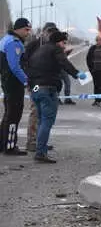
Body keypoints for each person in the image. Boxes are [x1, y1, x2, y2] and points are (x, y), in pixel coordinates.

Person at [27, 30, 87, 163]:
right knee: (47, 121)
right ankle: (40, 152)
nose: (65, 46)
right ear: (58, 42)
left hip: (35, 89)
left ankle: (40, 146)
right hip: (47, 88)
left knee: (41, 120)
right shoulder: (55, 49)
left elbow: (29, 67)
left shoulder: (40, 50)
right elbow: (64, 63)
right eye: (64, 43)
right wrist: (77, 74)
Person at [23, 22, 58, 151]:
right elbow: (24, 61)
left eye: (53, 32)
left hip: (49, 84)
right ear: (43, 32)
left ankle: (40, 141)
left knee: (45, 114)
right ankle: (31, 141)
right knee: (35, 111)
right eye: (49, 31)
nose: (50, 34)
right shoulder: (34, 45)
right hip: (35, 84)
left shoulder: (53, 46)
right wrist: (29, 78)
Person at [0, 18, 32, 155]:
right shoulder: (15, 43)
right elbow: (15, 66)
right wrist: (26, 81)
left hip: (7, 81)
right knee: (14, 115)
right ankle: (10, 146)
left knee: (8, 114)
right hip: (14, 83)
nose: (28, 32)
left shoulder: (5, 39)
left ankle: (2, 143)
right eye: (26, 29)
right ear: (18, 29)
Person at [86, 35, 101, 107]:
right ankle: (96, 100)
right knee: (96, 85)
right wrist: (91, 69)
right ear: (96, 41)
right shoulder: (93, 48)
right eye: (98, 40)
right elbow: (88, 59)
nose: (99, 41)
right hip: (95, 71)